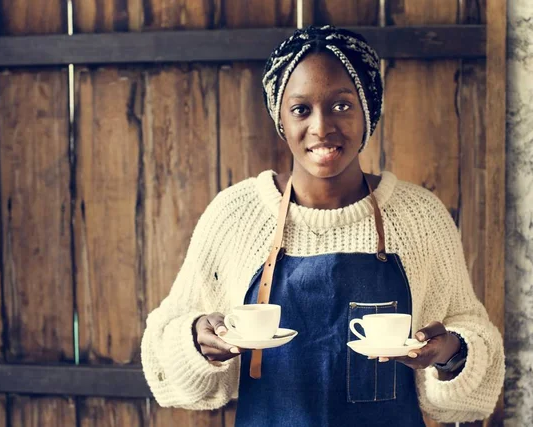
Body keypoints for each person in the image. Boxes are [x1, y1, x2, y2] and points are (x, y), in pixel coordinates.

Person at [141, 25, 504, 426]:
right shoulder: (235, 215)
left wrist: (453, 352)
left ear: (369, 110)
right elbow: (164, 355)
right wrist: (196, 339)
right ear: (279, 116)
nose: (321, 127)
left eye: (341, 106)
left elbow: (475, 349)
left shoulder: (419, 217)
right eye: (301, 109)